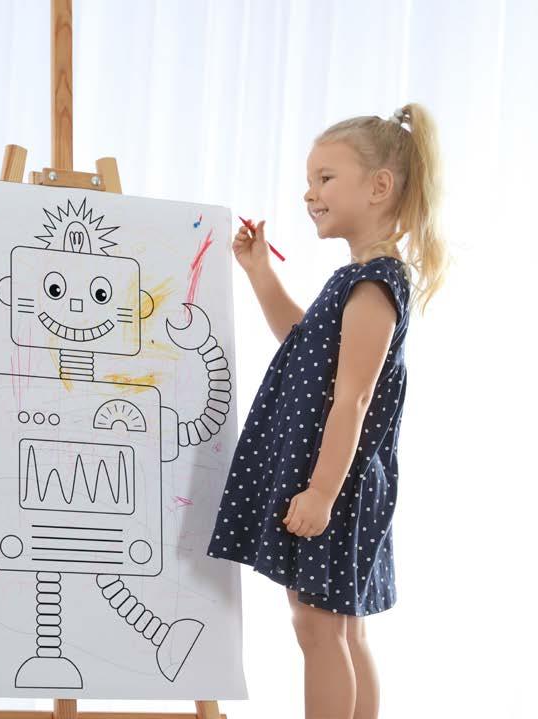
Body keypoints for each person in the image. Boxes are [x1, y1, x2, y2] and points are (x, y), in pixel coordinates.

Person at [206, 103, 447, 719]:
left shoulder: (373, 285)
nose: (309, 193)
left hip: (336, 479)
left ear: (379, 187)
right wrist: (259, 272)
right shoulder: (355, 278)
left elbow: (355, 398)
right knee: (338, 625)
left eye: (325, 178)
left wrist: (320, 492)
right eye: (310, 180)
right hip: (335, 477)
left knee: (319, 625)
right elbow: (302, 344)